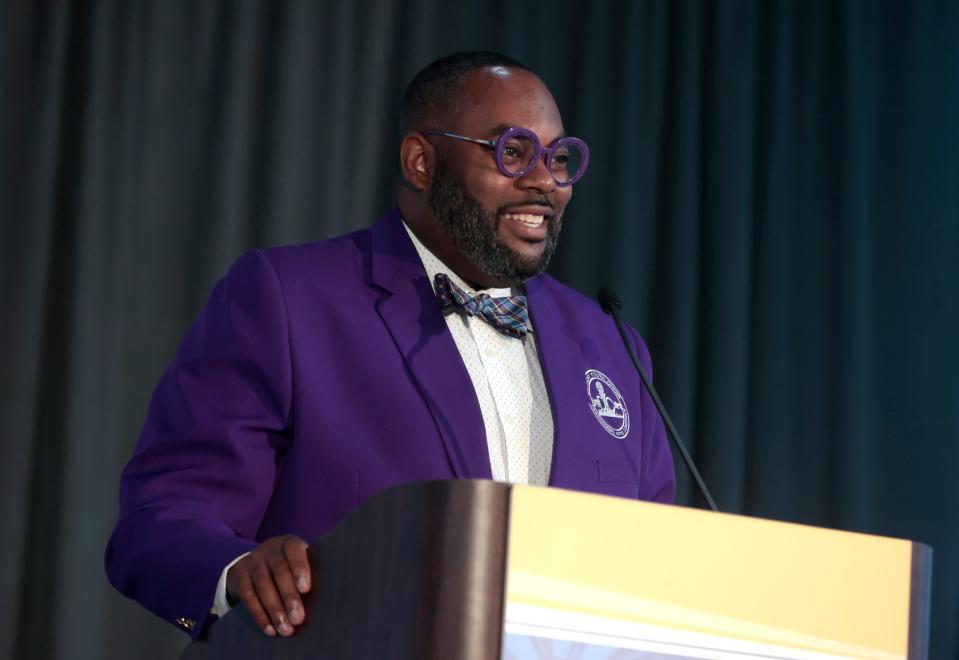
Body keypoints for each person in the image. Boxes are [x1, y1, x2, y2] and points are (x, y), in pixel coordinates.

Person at [105, 51, 676, 641]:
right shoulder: (289, 299)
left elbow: (659, 568)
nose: (543, 182)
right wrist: (235, 575)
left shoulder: (610, 345)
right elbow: (155, 527)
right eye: (512, 152)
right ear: (421, 160)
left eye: (558, 159)